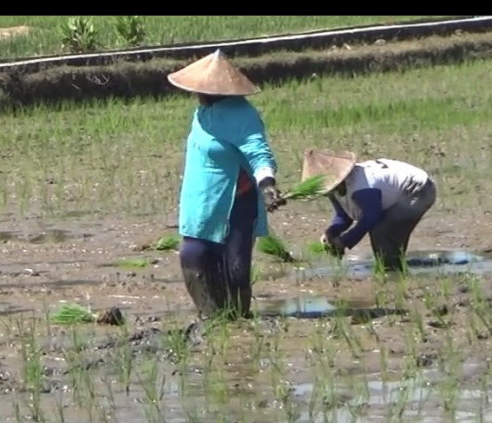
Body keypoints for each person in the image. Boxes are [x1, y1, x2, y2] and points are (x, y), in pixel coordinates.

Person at [166, 49, 285, 321]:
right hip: (200, 200)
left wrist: (267, 184)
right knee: (193, 254)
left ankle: (238, 319)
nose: (195, 94)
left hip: (235, 202)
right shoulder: (203, 111)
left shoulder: (242, 115)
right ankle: (211, 316)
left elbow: (259, 152)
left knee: (235, 269)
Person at [300, 149, 437, 271]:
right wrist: (331, 233)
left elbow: (371, 217)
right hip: (399, 192)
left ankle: (392, 273)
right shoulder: (335, 188)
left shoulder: (362, 187)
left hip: (419, 191)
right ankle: (392, 268)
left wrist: (345, 241)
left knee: (382, 231)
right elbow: (344, 215)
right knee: (388, 237)